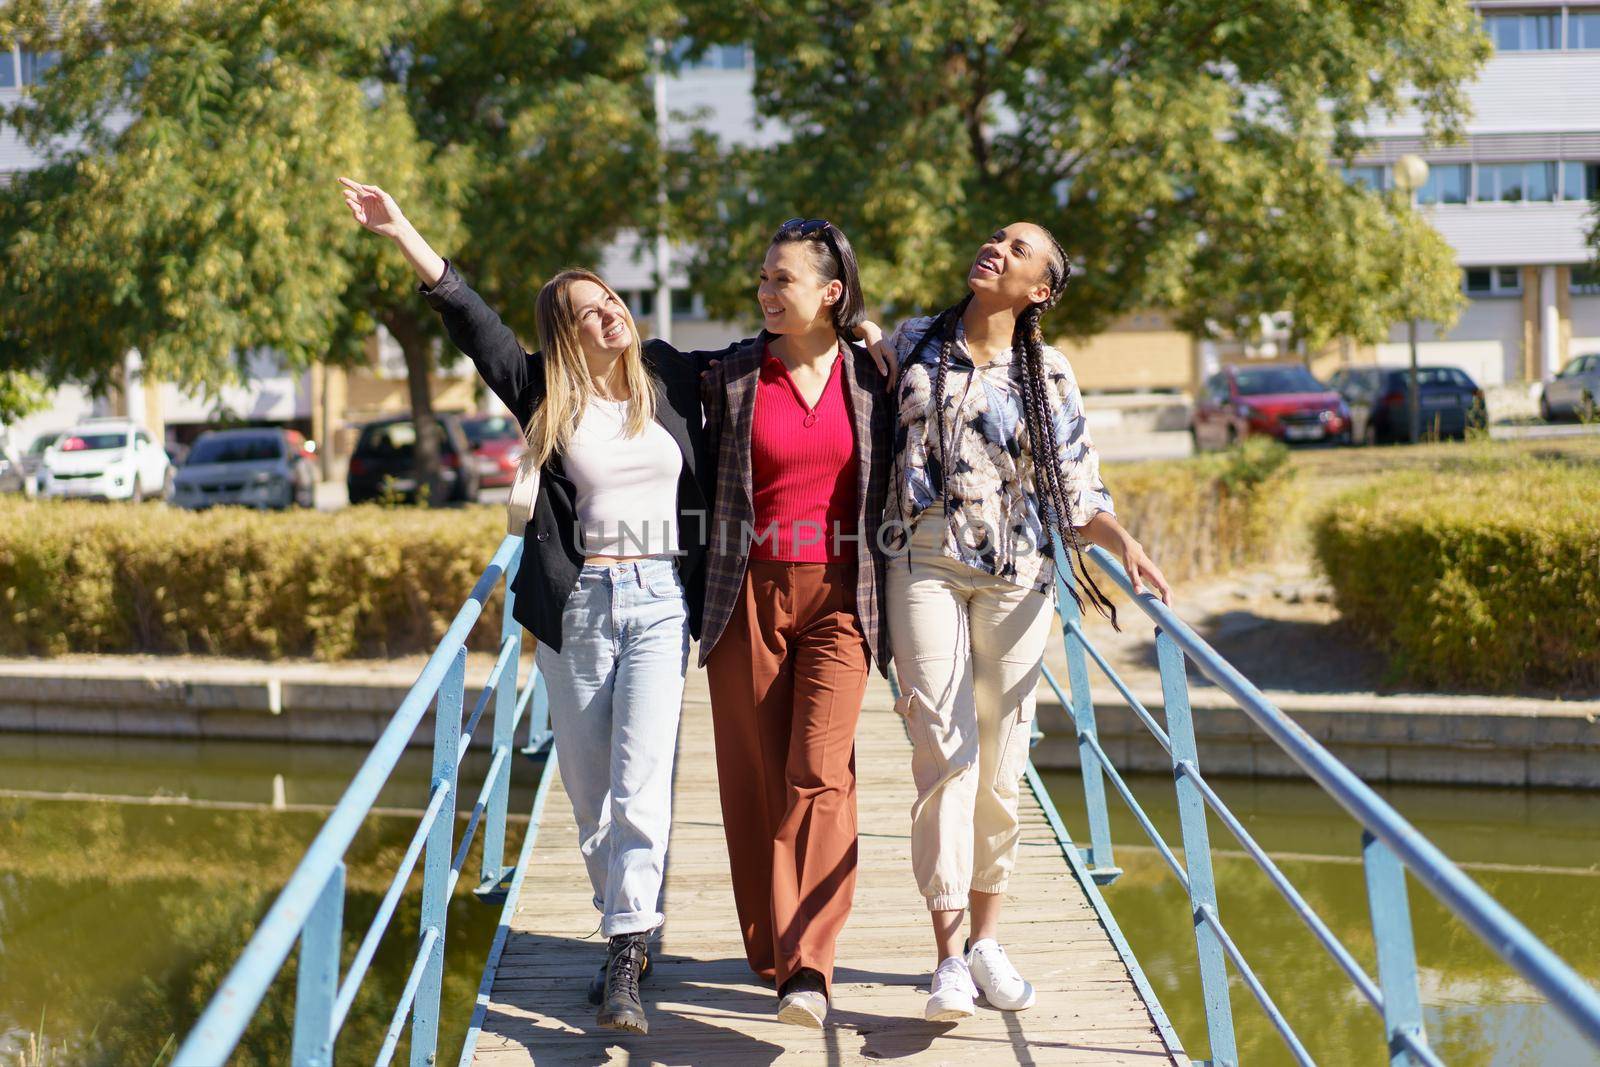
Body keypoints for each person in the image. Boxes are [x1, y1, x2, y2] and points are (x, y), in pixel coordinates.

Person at [339, 176, 711, 1036]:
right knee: (588, 794)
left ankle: (622, 951)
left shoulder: (668, 377)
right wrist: (402, 232)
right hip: (577, 607)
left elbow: (755, 365)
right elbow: (468, 318)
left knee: (641, 779)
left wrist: (856, 345)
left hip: (658, 600)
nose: (606, 315)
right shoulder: (547, 391)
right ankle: (628, 915)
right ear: (565, 332)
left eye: (609, 301)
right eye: (585, 311)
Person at [862, 222, 1171, 1022]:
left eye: (1019, 248)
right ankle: (946, 959)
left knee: (1002, 762)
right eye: (996, 237)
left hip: (1019, 571)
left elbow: (1075, 489)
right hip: (923, 556)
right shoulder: (917, 340)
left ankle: (987, 942)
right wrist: (863, 334)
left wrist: (1122, 541)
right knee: (942, 748)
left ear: (1041, 289)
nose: (996, 248)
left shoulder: (1050, 372)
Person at [697, 218, 893, 1028]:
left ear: (831, 292)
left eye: (783, 279)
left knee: (821, 771)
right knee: (755, 777)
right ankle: (771, 945)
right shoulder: (731, 376)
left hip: (842, 595)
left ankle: (808, 964)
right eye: (764, 279)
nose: (766, 293)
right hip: (747, 592)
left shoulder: (875, 373)